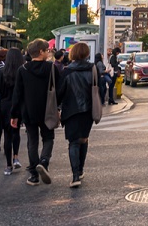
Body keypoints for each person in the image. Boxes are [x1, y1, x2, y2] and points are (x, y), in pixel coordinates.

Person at [10, 40, 62, 186]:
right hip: (48, 110)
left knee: (32, 140)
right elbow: (59, 89)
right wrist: (58, 108)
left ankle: (33, 174)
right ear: (41, 52)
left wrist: (14, 115)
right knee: (48, 138)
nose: (48, 52)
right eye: (47, 50)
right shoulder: (51, 68)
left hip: (28, 110)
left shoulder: (23, 69)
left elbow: (17, 94)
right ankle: (44, 161)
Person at [59, 43, 99, 188]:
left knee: (73, 142)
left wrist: (58, 108)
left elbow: (60, 92)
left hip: (70, 110)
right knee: (83, 139)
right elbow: (98, 88)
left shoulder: (67, 71)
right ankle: (80, 169)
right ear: (87, 53)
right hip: (88, 110)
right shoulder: (92, 68)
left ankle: (75, 175)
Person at [0, 48, 25, 176]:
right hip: (18, 104)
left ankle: (8, 165)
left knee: (7, 134)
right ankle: (16, 156)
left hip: (5, 104)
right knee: (16, 131)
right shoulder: (22, 71)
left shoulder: (1, 72)